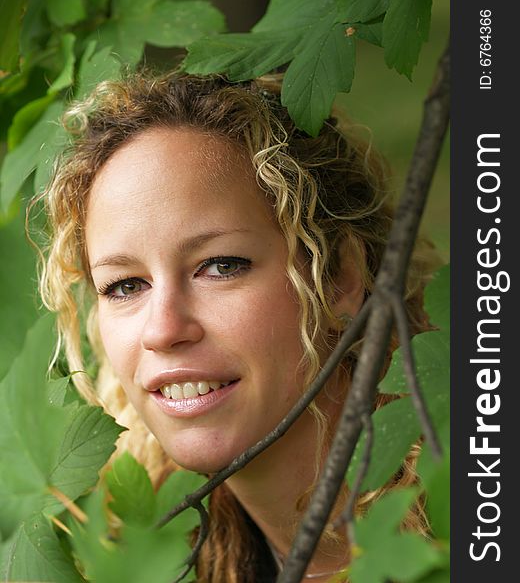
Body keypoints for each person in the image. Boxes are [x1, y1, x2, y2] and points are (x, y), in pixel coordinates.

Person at [37, 72, 436, 582]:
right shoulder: (146, 555)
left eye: (220, 265)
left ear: (339, 277)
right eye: (125, 286)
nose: (163, 330)